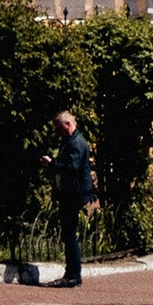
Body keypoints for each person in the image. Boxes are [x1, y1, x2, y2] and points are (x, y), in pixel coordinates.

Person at [51, 107, 97, 290]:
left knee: (69, 235)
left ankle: (73, 276)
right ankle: (71, 274)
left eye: (58, 127)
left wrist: (52, 164)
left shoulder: (76, 143)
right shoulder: (70, 140)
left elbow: (72, 166)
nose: (56, 132)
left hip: (74, 195)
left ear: (67, 124)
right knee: (68, 234)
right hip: (69, 194)